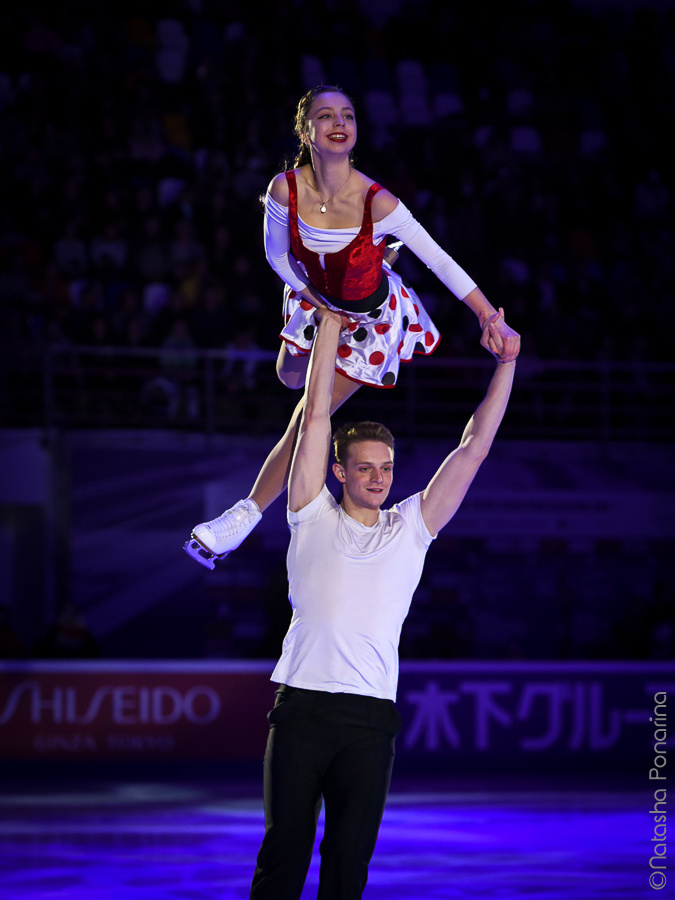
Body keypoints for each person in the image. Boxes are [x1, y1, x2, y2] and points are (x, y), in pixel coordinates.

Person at [184, 85, 520, 569]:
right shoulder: (285, 189)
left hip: (368, 321)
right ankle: (359, 277)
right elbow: (277, 257)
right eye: (325, 115)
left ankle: (244, 514)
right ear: (307, 130)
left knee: (308, 417)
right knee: (288, 376)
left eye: (347, 114)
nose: (338, 122)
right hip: (314, 298)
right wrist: (314, 300)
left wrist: (489, 316)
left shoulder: (378, 202)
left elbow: (442, 262)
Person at [248, 306, 517, 899]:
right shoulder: (308, 512)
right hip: (300, 712)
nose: (378, 478)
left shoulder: (411, 527)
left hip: (370, 719)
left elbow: (472, 449)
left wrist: (507, 363)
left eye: (387, 468)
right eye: (365, 468)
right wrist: (331, 332)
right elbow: (316, 415)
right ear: (339, 472)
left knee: (349, 865)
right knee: (283, 855)